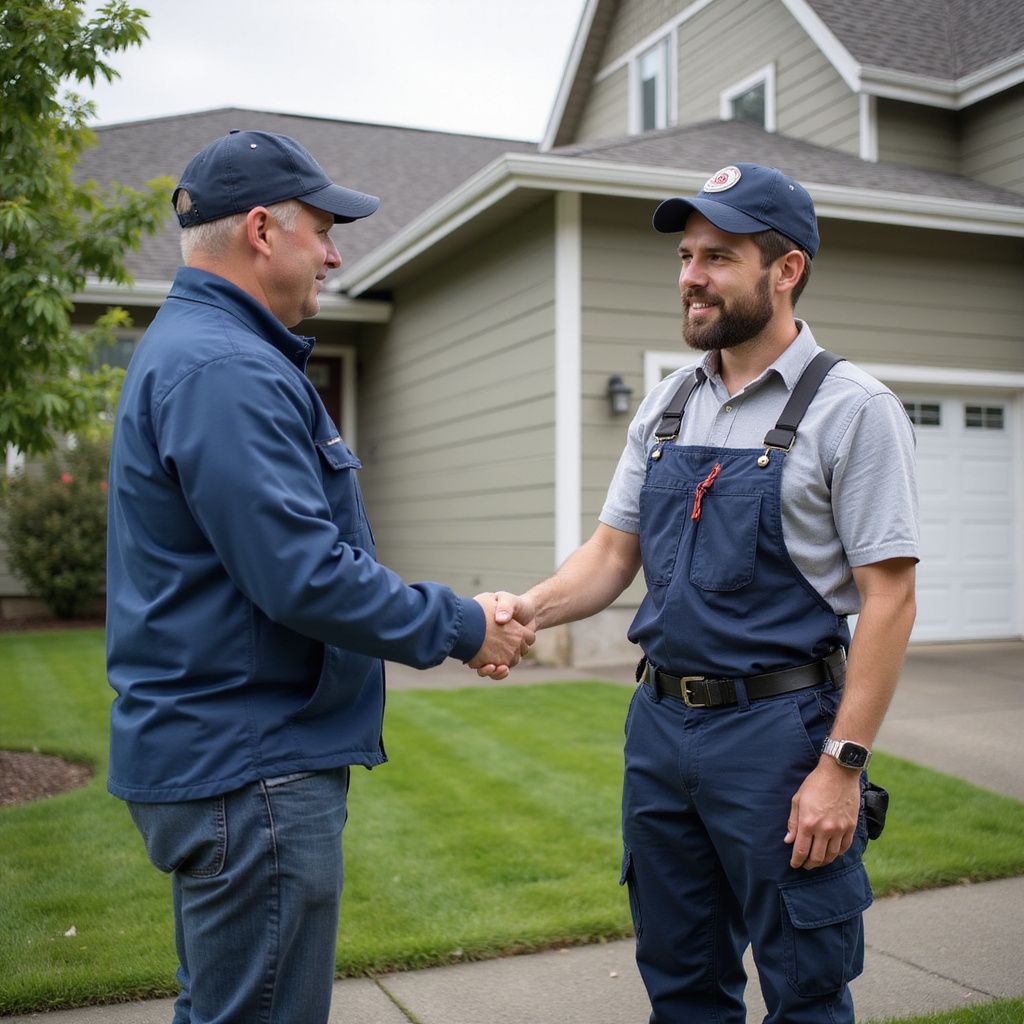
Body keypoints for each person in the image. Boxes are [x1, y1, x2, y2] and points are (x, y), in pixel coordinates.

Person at [105, 129, 534, 1024]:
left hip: (221, 757)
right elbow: (302, 576)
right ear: (263, 229)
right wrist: (463, 625)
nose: (336, 255)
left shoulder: (202, 352)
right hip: (250, 766)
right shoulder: (226, 368)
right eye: (325, 231)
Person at [480, 162, 918, 1023]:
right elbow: (611, 555)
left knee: (805, 987)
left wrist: (842, 764)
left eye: (718, 256)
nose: (690, 276)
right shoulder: (669, 404)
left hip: (779, 735)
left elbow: (891, 600)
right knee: (679, 981)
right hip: (661, 727)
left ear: (785, 270)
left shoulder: (854, 410)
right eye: (686, 255)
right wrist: (527, 611)